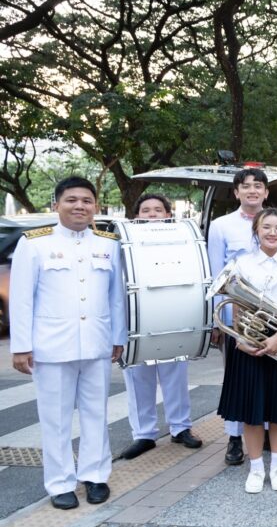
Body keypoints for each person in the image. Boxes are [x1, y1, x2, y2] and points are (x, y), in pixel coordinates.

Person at [9, 176, 126, 509]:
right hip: (51, 346)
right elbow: (21, 299)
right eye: (72, 200)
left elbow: (116, 296)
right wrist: (21, 345)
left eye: (87, 200)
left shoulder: (108, 243)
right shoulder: (34, 243)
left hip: (96, 343)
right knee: (55, 418)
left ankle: (95, 476)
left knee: (95, 413)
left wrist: (118, 336)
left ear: (96, 206)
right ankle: (60, 483)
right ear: (56, 204)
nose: (80, 206)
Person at [216, 208, 277, 493]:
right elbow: (235, 303)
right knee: (251, 411)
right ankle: (256, 468)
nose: (272, 232)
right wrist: (240, 338)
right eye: (266, 227)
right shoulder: (242, 264)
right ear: (256, 231)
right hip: (249, 340)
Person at [207, 167, 277, 465]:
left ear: (266, 192)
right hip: (235, 316)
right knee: (238, 379)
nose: (252, 190)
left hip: (272, 316)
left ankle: (268, 433)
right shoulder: (221, 225)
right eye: (246, 186)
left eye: (258, 186)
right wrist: (218, 323)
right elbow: (217, 275)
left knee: (271, 374)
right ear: (236, 192)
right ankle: (234, 437)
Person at [119, 193, 202, 460]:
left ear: (168, 214)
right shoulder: (124, 239)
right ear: (136, 214)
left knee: (175, 376)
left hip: (172, 315)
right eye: (146, 210)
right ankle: (143, 434)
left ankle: (180, 428)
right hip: (137, 319)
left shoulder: (180, 239)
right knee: (138, 378)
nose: (153, 214)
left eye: (158, 210)